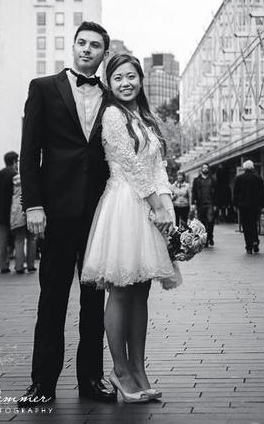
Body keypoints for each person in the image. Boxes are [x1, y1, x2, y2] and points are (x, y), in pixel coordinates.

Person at [18, 21, 115, 406]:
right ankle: (42, 383)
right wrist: (33, 204)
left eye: (95, 45)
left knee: (93, 302)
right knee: (52, 299)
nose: (87, 49)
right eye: (82, 43)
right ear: (73, 46)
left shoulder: (113, 97)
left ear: (103, 53)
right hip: (55, 212)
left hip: (99, 214)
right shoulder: (43, 88)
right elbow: (30, 151)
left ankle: (91, 379)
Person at [81, 53, 177, 403]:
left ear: (140, 80)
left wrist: (166, 205)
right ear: (110, 82)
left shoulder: (146, 117)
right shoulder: (112, 115)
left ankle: (139, 370)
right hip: (124, 205)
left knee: (141, 292)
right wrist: (157, 206)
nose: (125, 83)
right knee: (121, 289)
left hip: (149, 206)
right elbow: (133, 166)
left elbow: (159, 167)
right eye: (118, 77)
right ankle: (120, 371)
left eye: (131, 76)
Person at [232, 160, 264, 254]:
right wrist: (263, 205)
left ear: (244, 168)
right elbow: (262, 193)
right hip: (255, 206)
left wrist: (235, 205)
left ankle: (248, 246)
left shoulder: (239, 178)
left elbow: (235, 193)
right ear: (252, 167)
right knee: (254, 224)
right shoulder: (258, 178)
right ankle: (255, 241)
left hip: (243, 206)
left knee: (246, 225)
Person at [10, 173, 37, 274]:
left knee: (19, 240)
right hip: (31, 209)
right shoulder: (32, 179)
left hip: (17, 212)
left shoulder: (14, 182)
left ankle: (19, 266)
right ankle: (31, 265)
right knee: (32, 239)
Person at [191, 164, 217, 246]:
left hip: (210, 203)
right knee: (202, 222)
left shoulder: (212, 179)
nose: (205, 169)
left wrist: (216, 204)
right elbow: (193, 192)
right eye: (203, 168)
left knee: (210, 221)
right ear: (201, 169)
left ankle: (210, 237)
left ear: (208, 169)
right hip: (200, 203)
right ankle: (204, 239)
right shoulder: (196, 180)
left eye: (206, 168)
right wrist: (193, 203)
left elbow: (216, 192)